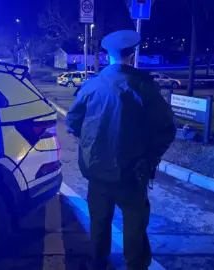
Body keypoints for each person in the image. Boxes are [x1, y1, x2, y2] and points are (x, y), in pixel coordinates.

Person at [66, 30, 176, 270]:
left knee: (99, 222)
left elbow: (72, 123)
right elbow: (167, 128)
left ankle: (97, 263)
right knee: (135, 226)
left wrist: (89, 145)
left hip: (97, 173)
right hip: (132, 174)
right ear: (132, 54)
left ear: (107, 55)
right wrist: (151, 157)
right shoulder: (143, 87)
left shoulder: (91, 85)